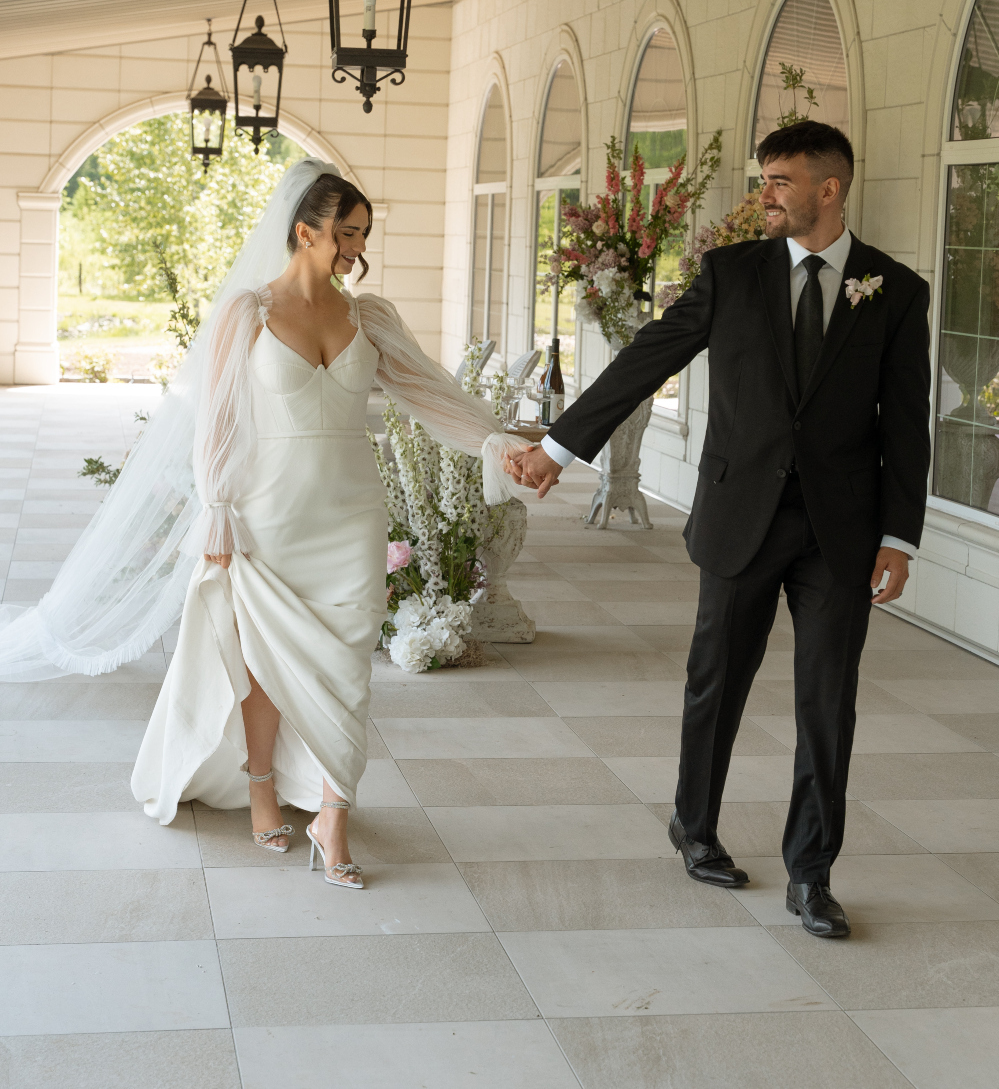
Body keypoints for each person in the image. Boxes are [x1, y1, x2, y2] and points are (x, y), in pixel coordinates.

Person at [0, 158, 524, 889]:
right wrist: (215, 507)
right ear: (303, 230)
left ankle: (333, 815)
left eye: (362, 234)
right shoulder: (247, 313)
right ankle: (259, 787)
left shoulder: (368, 316)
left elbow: (429, 392)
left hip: (348, 513)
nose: (353, 247)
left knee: (348, 667)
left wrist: (499, 441)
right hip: (266, 512)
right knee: (262, 664)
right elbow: (211, 418)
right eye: (343, 232)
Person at [508, 120, 931, 939]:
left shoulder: (893, 289)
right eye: (762, 178)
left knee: (826, 704)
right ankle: (693, 825)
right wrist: (560, 447)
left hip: (839, 533)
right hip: (740, 517)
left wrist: (898, 536)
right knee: (716, 682)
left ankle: (811, 872)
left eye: (778, 179)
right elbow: (647, 356)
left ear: (828, 188)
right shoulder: (728, 273)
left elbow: (905, 427)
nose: (763, 193)